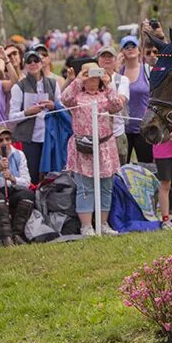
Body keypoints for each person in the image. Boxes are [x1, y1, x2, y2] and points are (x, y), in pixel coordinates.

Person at [62, 63, 124, 236]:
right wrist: (77, 80)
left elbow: (118, 105)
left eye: (95, 74)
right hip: (83, 147)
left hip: (105, 146)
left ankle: (103, 224)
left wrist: (108, 82)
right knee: (85, 188)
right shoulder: (76, 96)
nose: (92, 78)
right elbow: (64, 99)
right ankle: (86, 226)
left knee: (106, 186)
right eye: (89, 74)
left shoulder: (106, 95)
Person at [8, 49, 60, 177]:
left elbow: (62, 108)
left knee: (52, 176)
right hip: (28, 141)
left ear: (42, 63)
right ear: (24, 66)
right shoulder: (19, 87)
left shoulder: (53, 84)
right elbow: (12, 118)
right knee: (32, 176)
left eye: (36, 60)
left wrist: (54, 106)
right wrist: (27, 113)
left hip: (50, 138)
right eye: (29, 61)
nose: (33, 64)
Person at [0, 125, 36, 247]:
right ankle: (5, 237)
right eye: (0, 140)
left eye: (7, 139)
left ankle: (17, 234)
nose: (5, 143)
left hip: (13, 189)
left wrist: (12, 178)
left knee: (28, 195)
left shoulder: (19, 155)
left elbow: (27, 182)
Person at [120, 35, 155, 163]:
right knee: (121, 168)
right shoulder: (118, 73)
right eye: (126, 47)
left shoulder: (147, 71)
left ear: (139, 49)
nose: (130, 49)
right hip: (123, 129)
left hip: (144, 128)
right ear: (122, 52)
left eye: (133, 46)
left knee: (146, 167)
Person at [96, 46, 131, 163]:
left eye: (110, 56)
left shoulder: (122, 80)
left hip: (117, 133)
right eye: (103, 56)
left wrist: (108, 84)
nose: (106, 59)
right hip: (97, 135)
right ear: (98, 60)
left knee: (119, 171)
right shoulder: (91, 80)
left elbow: (120, 103)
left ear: (115, 60)